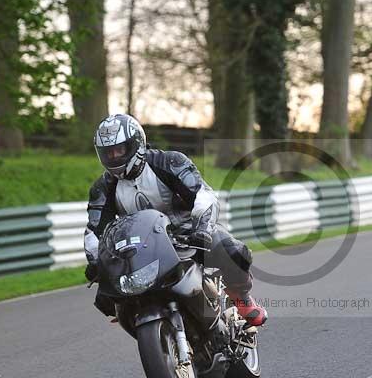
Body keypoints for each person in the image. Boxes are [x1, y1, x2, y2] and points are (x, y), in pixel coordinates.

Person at [83, 114, 268, 327]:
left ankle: (240, 297)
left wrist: (202, 229)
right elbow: (95, 230)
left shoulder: (169, 162)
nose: (114, 157)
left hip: (188, 234)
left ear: (136, 144)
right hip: (142, 247)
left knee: (231, 251)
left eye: (120, 150)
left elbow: (202, 194)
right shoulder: (102, 187)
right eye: (108, 153)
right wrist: (96, 261)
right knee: (105, 297)